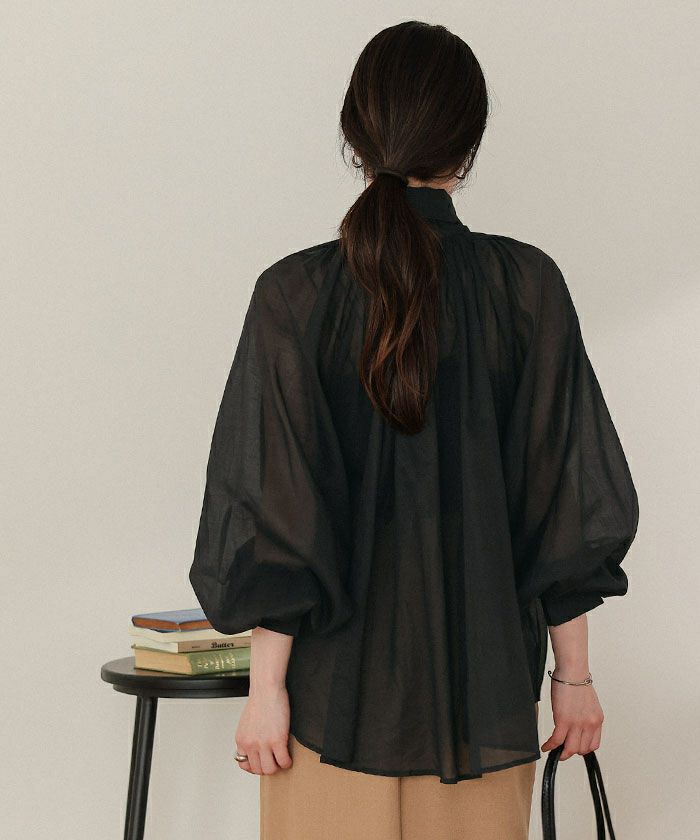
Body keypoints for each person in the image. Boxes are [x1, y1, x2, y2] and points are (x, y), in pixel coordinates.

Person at [189, 20, 639, 840]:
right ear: (467, 146)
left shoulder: (293, 294)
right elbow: (561, 503)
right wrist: (573, 679)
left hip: (324, 706)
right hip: (484, 700)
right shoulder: (527, 287)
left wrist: (265, 693)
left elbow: (278, 520)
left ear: (355, 136)